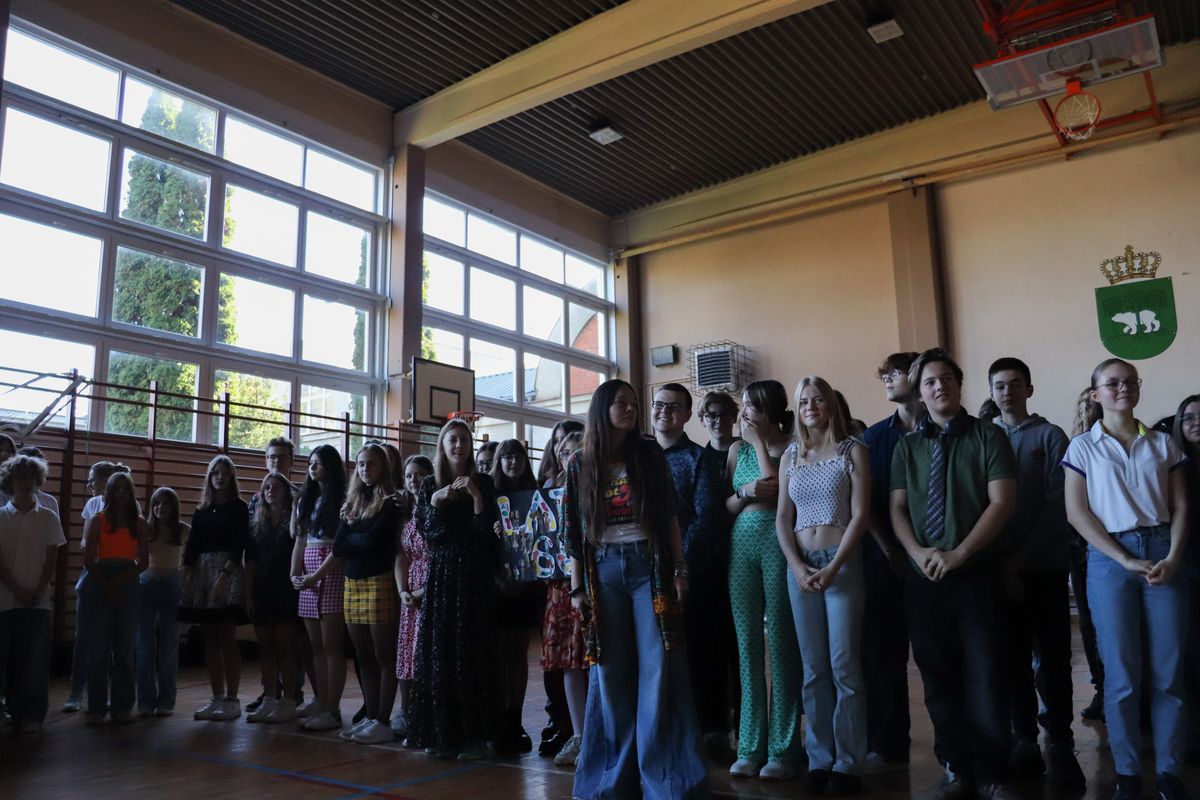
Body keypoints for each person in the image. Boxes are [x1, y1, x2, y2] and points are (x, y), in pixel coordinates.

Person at [564, 379, 708, 799]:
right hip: (603, 571)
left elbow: (670, 518)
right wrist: (577, 589)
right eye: (621, 403)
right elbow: (573, 533)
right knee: (610, 674)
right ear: (602, 408)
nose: (630, 409)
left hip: (650, 569)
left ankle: (666, 784)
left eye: (633, 403)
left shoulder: (648, 454)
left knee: (658, 669)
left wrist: (679, 569)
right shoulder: (580, 462)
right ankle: (611, 784)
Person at [890, 347, 1018, 800]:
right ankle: (956, 768)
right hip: (924, 578)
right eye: (929, 382)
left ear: (959, 385)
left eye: (946, 378)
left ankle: (990, 772)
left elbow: (1002, 502)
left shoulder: (988, 436)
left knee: (985, 676)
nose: (938, 386)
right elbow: (897, 508)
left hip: (977, 574)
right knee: (937, 679)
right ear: (919, 393)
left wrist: (960, 553)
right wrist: (918, 553)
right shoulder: (907, 446)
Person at [1062, 359, 1191, 800]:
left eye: (1130, 382)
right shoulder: (1082, 447)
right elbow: (1076, 512)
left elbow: (1181, 506)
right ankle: (1128, 774)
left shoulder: (1162, 443)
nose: (1122, 388)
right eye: (1112, 383)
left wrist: (1172, 557)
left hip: (1162, 555)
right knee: (1122, 674)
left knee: (1168, 672)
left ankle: (1170, 771)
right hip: (1109, 560)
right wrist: (1122, 558)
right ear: (1095, 393)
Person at [987, 358, 1085, 789]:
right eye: (999, 386)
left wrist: (1021, 557)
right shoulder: (984, 437)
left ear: (1029, 389)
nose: (1007, 392)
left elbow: (1056, 504)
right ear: (991, 392)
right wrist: (999, 560)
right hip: (996, 569)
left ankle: (1060, 738)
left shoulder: (1050, 436)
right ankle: (1023, 738)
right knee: (1010, 658)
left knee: (1053, 656)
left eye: (1015, 384)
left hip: (1043, 566)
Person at [776, 376, 870, 794]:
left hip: (840, 564)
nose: (811, 407)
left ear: (830, 404)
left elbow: (860, 515)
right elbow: (783, 518)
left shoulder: (853, 450)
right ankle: (820, 759)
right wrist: (796, 565)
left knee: (844, 665)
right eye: (804, 402)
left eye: (818, 400)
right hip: (801, 567)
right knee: (813, 668)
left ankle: (848, 763)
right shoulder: (790, 455)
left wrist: (834, 567)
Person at [409, 418, 501, 760]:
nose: (459, 445)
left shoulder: (484, 483)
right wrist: (436, 500)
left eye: (464, 439)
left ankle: (475, 736)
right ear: (443, 446)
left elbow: (485, 533)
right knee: (440, 654)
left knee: (471, 655)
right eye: (453, 440)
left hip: (474, 577)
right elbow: (430, 535)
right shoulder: (429, 485)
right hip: (442, 576)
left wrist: (475, 496)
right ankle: (442, 733)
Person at [726, 379, 803, 780]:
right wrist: (744, 491)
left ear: (770, 411)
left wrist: (758, 443)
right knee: (747, 646)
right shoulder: (735, 451)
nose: (744, 413)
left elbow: (776, 492)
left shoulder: (792, 447)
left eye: (751, 406)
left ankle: (784, 750)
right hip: (741, 545)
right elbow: (728, 503)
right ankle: (749, 746)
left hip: (779, 544)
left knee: (783, 644)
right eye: (743, 405)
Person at [651, 382, 733, 756]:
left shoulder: (698, 459)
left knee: (703, 654)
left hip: (695, 573)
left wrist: (680, 567)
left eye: (674, 407)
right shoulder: (639, 458)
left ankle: (712, 729)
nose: (664, 412)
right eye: (659, 404)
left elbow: (706, 518)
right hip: (646, 574)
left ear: (687, 415)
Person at [860, 351, 921, 770]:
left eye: (895, 373)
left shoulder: (945, 428)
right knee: (883, 656)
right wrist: (889, 549)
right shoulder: (874, 437)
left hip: (937, 557)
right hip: (885, 559)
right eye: (884, 374)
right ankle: (887, 741)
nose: (886, 379)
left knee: (942, 655)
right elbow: (864, 502)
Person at [333, 442, 401, 745]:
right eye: (361, 464)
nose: (365, 469)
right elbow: (338, 546)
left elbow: (376, 541)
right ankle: (371, 716)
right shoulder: (352, 502)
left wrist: (355, 537)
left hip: (378, 581)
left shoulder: (390, 502)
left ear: (383, 467)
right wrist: (359, 539)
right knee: (363, 657)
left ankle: (383, 720)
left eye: (371, 463)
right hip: (352, 582)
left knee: (384, 655)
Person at [180, 455, 250, 722]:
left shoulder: (239, 508)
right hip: (203, 573)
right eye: (215, 473)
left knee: (227, 637)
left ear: (232, 477)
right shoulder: (202, 510)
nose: (220, 477)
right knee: (209, 639)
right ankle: (216, 697)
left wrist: (225, 574)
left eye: (225, 473)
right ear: (209, 477)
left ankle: (232, 699)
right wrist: (186, 570)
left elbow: (239, 544)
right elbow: (193, 545)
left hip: (227, 570)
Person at [0, 454, 66, 733]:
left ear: (38, 482)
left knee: (33, 661)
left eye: (31, 478)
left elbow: (51, 560)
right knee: (3, 658)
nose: (26, 483)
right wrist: (17, 590)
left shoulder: (48, 517)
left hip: (38, 602)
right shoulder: (1, 517)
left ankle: (29, 714)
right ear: (10, 482)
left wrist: (37, 591)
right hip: (4, 600)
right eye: (21, 478)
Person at [246, 436, 307, 714]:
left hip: (290, 584)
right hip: (264, 584)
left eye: (281, 457)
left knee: (290, 646)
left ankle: (293, 694)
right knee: (267, 646)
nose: (276, 462)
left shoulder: (301, 498)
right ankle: (269, 693)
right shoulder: (255, 502)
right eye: (271, 457)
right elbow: (252, 551)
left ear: (291, 461)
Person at [81, 471, 147, 725]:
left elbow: (143, 562)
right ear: (109, 492)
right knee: (98, 650)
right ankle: (96, 707)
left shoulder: (139, 523)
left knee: (124, 650)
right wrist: (106, 584)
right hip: (100, 579)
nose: (121, 492)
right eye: (116, 488)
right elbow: (89, 560)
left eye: (125, 488)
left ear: (131, 492)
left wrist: (120, 581)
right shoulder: (97, 520)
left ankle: (122, 706)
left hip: (128, 582)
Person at [534, 419, 584, 757]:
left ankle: (602, 734)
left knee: (593, 661)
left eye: (576, 451)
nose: (568, 457)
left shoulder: (594, 486)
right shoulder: (549, 490)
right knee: (567, 661)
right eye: (563, 452)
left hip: (590, 584)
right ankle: (578, 734)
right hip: (558, 588)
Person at [290, 444, 348, 732]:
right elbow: (300, 539)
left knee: (331, 645)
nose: (312, 468)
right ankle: (321, 700)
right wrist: (294, 573)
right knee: (315, 646)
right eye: (310, 463)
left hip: (330, 568)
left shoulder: (342, 499)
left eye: (319, 463)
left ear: (331, 467)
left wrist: (316, 575)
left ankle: (332, 708)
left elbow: (339, 547)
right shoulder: (306, 498)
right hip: (307, 571)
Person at [65, 460, 131, 713]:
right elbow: (85, 542)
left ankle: (112, 694)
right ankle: (76, 691)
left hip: (118, 574)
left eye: (92, 480)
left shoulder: (129, 507)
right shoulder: (93, 505)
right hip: (93, 571)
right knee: (83, 637)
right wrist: (93, 541)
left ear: (104, 481)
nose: (89, 484)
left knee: (115, 640)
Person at [490, 438, 542, 755]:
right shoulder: (488, 495)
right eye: (507, 457)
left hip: (525, 585)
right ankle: (498, 720)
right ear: (499, 461)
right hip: (495, 585)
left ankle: (515, 719)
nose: (513, 462)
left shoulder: (536, 496)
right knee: (498, 653)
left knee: (518, 653)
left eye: (518, 456)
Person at [1067, 387, 1105, 722]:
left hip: (1114, 545)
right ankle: (1102, 688)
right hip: (1080, 549)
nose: (1089, 411)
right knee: (1090, 624)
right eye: (1084, 406)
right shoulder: (1073, 447)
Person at [137, 486, 188, 717]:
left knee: (168, 648)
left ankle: (166, 700)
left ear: (174, 507)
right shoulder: (145, 529)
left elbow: (194, 555)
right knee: (144, 647)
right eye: (157, 503)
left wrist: (184, 577)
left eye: (166, 503)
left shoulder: (182, 530)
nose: (161, 508)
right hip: (145, 586)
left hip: (171, 586)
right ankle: (145, 701)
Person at [393, 454, 434, 739]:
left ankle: (425, 714)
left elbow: (439, 556)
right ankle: (405, 711)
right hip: (409, 593)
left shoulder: (435, 510)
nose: (413, 480)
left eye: (419, 474)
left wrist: (423, 591)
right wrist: (403, 590)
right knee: (406, 652)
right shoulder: (405, 514)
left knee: (425, 653)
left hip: (431, 588)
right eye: (409, 475)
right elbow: (400, 556)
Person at [1170, 394, 1200, 764]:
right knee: (1189, 655)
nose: (1196, 423)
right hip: (1186, 568)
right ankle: (1192, 735)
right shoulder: (1171, 465)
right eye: (1189, 417)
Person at [698, 392, 739, 475]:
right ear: (702, 421)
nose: (719, 421)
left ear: (734, 417)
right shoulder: (698, 459)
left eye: (725, 414)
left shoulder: (750, 451)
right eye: (711, 416)